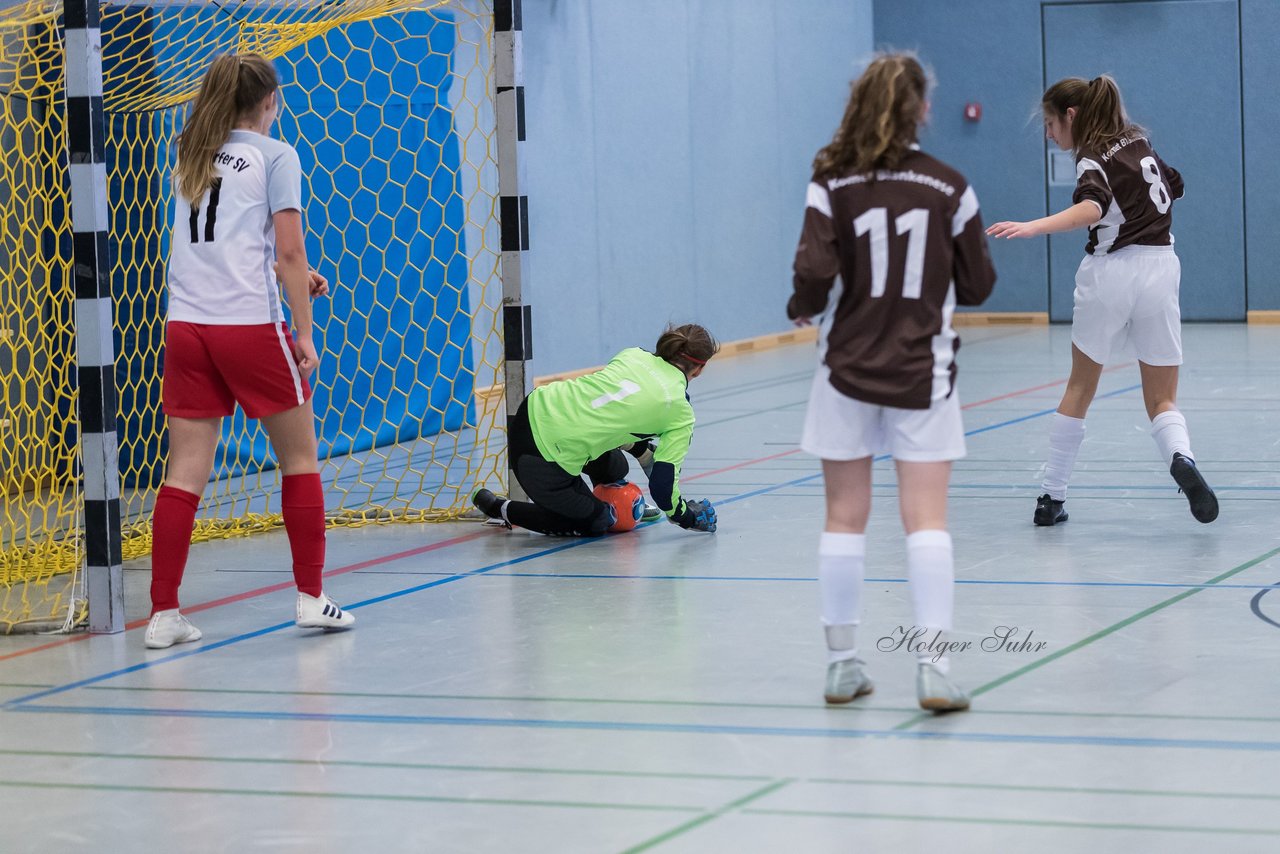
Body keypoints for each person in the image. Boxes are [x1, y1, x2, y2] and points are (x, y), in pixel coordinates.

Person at [788, 52, 996, 712]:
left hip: (844, 366)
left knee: (844, 516)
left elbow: (814, 273)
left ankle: (842, 663)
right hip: (923, 370)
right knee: (925, 519)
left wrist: (803, 305)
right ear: (922, 110)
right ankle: (933, 667)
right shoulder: (951, 186)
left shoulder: (831, 179)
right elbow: (979, 285)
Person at [145, 53, 354, 649]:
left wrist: (290, 275)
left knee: (183, 471)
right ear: (270, 101)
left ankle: (163, 615)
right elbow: (289, 252)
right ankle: (312, 598)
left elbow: (229, 240)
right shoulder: (276, 155)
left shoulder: (190, 147)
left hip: (187, 326)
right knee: (300, 458)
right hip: (249, 329)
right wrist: (304, 330)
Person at [987, 75, 1217, 527]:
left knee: (1080, 387)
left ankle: (1051, 498)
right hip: (1159, 267)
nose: (1049, 134)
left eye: (1051, 124)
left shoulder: (1090, 156)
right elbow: (1176, 186)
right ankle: (1182, 458)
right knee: (1162, 398)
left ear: (1072, 116)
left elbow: (1093, 207)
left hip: (1110, 274)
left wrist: (1035, 226)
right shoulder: (1139, 141)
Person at [473, 324, 719, 537]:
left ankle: (609, 504)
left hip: (534, 407)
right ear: (699, 369)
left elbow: (608, 413)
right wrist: (686, 516)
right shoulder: (680, 412)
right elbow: (664, 492)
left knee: (616, 468)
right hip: (540, 459)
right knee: (598, 522)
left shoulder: (633, 354)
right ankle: (500, 508)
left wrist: (643, 453)